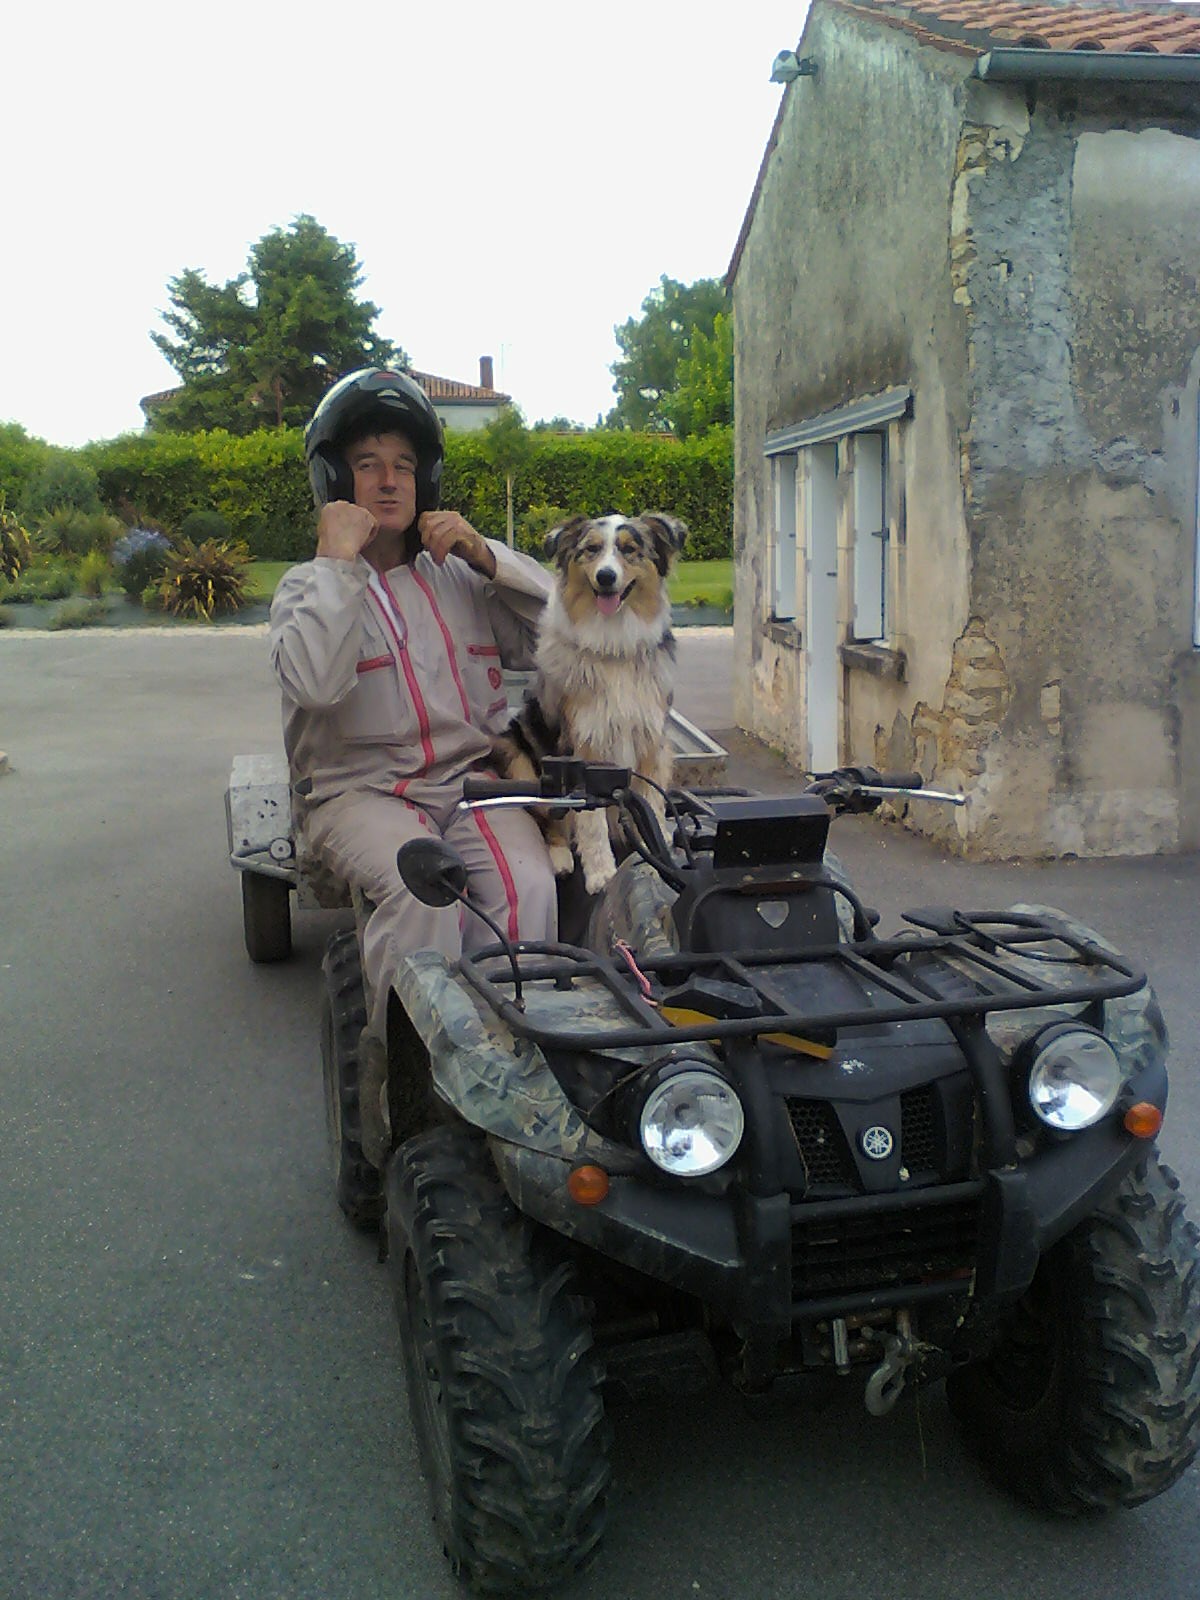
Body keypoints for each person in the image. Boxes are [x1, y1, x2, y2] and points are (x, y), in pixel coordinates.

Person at [270, 368, 557, 1057]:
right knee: (423, 892)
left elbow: (563, 634)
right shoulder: (307, 588)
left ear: (424, 479)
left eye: (403, 465)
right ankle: (407, 1080)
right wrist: (338, 562)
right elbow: (314, 684)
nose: (389, 481)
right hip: (359, 794)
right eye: (368, 464)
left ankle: (518, 1060)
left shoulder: (460, 575)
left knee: (528, 885)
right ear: (335, 480)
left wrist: (490, 557)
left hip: (469, 786)